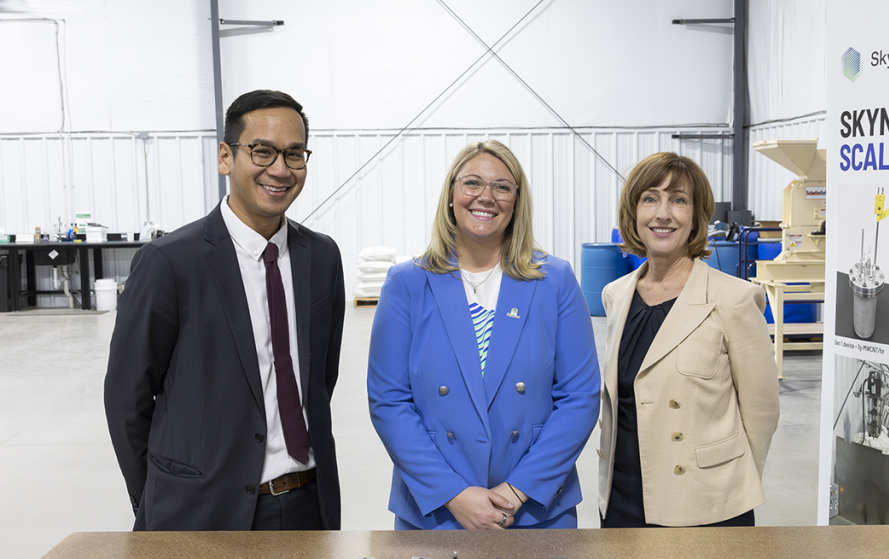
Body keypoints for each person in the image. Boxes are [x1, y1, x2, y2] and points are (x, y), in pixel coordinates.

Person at [104, 90, 345, 531]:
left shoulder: (322, 257)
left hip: (307, 503)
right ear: (225, 156)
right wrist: (156, 499)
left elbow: (320, 379)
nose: (280, 169)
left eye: (294, 155)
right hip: (200, 510)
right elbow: (127, 397)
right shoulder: (170, 262)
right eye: (262, 151)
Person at [368, 140, 600, 530]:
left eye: (502, 187)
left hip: (534, 511)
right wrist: (453, 494)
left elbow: (580, 397)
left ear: (517, 200)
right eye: (472, 182)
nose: (486, 196)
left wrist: (518, 490)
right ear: (451, 195)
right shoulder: (407, 283)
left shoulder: (555, 280)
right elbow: (388, 401)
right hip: (437, 511)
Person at [598, 152, 780, 528]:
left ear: (697, 217)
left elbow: (761, 413)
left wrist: (727, 486)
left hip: (704, 503)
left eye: (678, 200)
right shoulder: (616, 296)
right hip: (622, 499)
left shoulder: (733, 299)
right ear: (634, 213)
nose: (662, 214)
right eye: (650, 199)